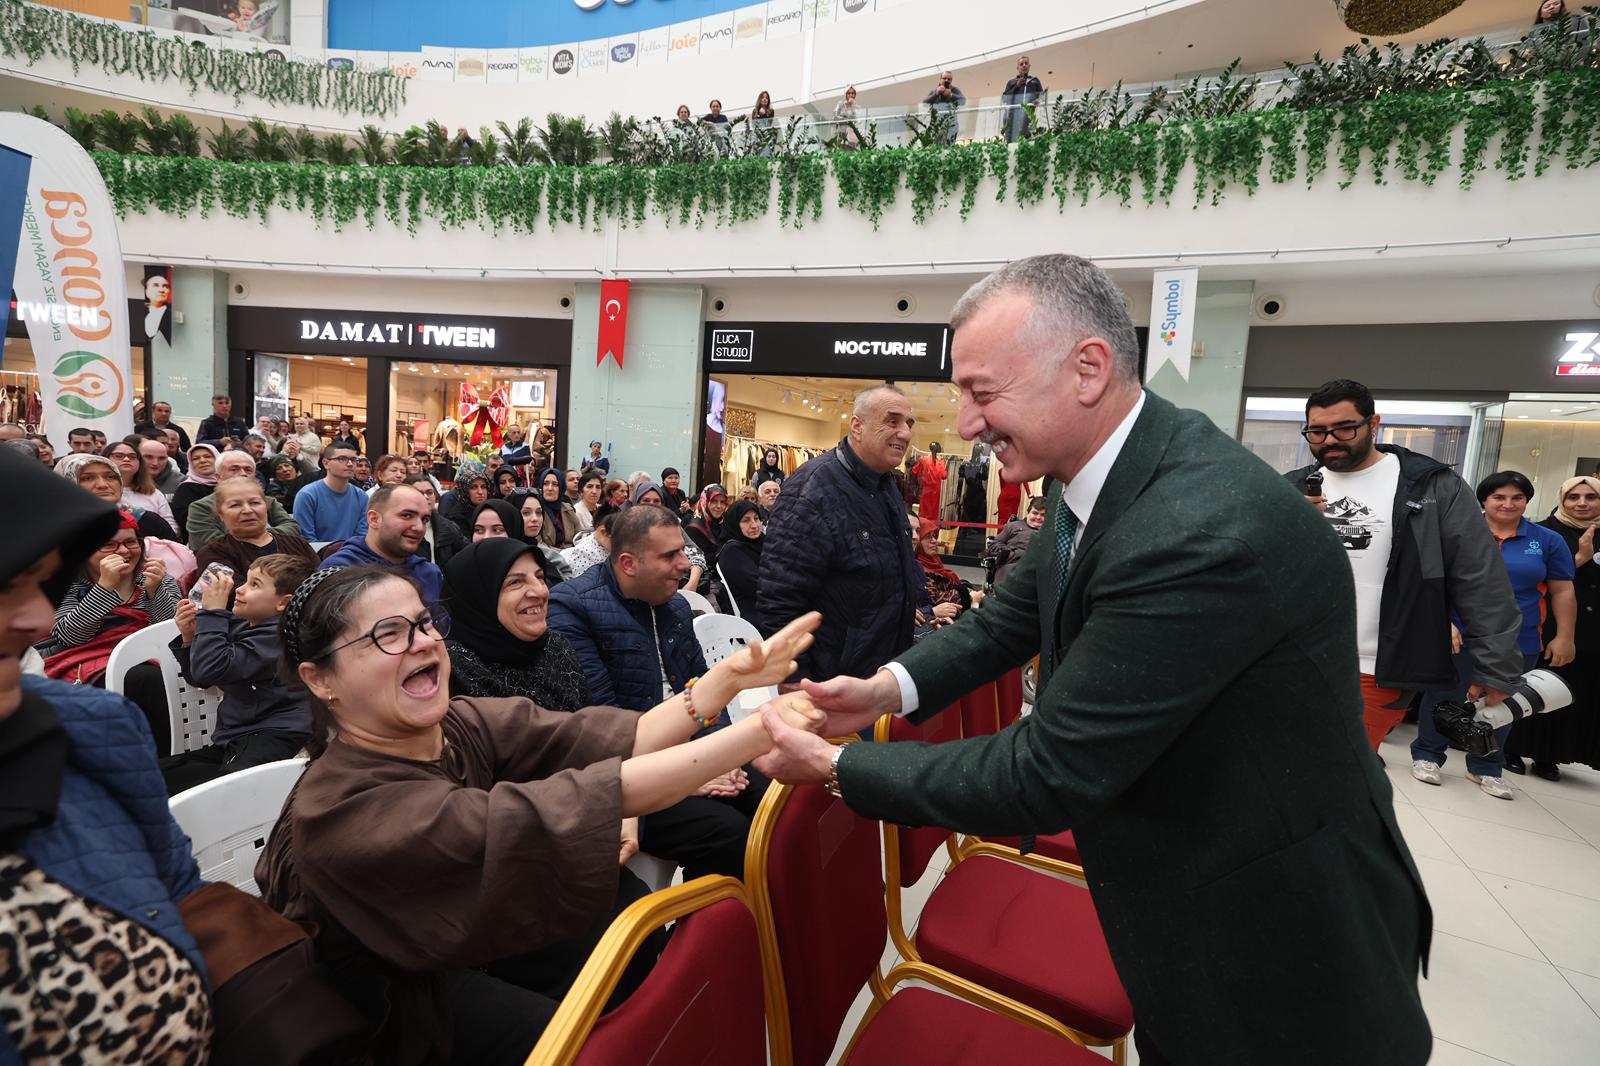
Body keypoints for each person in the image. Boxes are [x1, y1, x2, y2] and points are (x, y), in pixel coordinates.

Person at [753, 254, 1435, 1066]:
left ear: (1087, 369)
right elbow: (1013, 616)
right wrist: (883, 691)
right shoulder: (1110, 474)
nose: (965, 424)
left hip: (1270, 933)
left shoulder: (1195, 530)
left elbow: (1048, 773)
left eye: (982, 392)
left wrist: (836, 766)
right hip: (1188, 879)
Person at [255, 563, 821, 1063]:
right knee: (575, 1043)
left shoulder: (454, 724)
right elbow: (598, 796)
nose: (423, 643)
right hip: (393, 1001)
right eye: (388, 635)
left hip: (457, 930)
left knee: (630, 924)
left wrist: (726, 681)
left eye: (424, 623)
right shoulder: (345, 811)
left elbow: (619, 737)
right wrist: (758, 731)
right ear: (320, 679)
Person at [0, 448, 216, 1061]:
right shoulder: (77, 595)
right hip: (92, 666)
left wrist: (152, 591)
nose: (33, 615)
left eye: (38, 582)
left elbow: (180, 890)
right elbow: (62, 634)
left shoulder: (96, 729)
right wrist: (101, 590)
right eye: (5, 583)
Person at [1288, 379, 1523, 752]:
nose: (1330, 440)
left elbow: (1479, 578)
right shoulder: (1292, 487)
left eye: (1344, 428)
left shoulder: (1431, 487)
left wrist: (1497, 667)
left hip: (1375, 666)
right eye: (1317, 431)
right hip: (1289, 659)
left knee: (1335, 773)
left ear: (1373, 423)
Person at [548, 504, 771, 881]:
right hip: (626, 774)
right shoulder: (574, 610)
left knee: (774, 798)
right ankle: (714, 935)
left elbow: (706, 689)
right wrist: (689, 773)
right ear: (628, 563)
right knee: (729, 834)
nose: (685, 564)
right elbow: (605, 722)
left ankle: (777, 919)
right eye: (670, 555)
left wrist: (723, 755)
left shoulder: (678, 607)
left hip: (689, 751)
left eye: (683, 551)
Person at [1410, 471, 1575, 799]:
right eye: (1499, 497)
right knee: (1443, 696)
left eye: (1517, 497)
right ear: (1483, 500)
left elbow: (1562, 591)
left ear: (1527, 501)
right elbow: (1434, 584)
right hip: (1461, 633)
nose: (1508, 504)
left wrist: (1565, 636)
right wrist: (1446, 622)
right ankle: (1428, 755)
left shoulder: (1546, 540)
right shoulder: (1458, 534)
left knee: (1502, 703)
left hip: (1519, 638)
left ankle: (1485, 766)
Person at [757, 385, 919, 681]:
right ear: (857, 426)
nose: (905, 433)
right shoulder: (812, 490)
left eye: (908, 424)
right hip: (829, 684)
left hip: (882, 675)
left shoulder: (885, 485)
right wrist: (795, 683)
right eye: (892, 421)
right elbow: (780, 599)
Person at [162, 553, 315, 794]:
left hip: (274, 735)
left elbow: (209, 668)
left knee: (230, 797)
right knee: (155, 779)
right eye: (245, 581)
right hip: (236, 737)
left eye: (255, 585)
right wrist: (191, 638)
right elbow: (202, 677)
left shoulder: (279, 636)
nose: (240, 590)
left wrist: (212, 614)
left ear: (283, 603)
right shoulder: (244, 624)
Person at [35, 508, 180, 749]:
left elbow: (170, 633)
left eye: (130, 542)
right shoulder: (66, 585)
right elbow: (71, 636)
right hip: (85, 662)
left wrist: (156, 593)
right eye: (109, 545)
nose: (123, 551)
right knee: (142, 678)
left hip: (151, 658)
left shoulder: (156, 577)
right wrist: (104, 587)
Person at [1506, 474, 1600, 776]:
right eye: (1574, 497)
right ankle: (1513, 748)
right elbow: (1543, 578)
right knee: (1534, 688)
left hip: (1592, 631)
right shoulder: (1544, 533)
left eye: (1590, 497)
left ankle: (1551, 755)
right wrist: (1581, 558)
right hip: (1549, 626)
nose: (1582, 503)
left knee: (1572, 694)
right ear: (1562, 499)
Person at [442, 538, 587, 709]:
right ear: (479, 597)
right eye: (515, 582)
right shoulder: (450, 671)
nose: (541, 591)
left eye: (539, 576)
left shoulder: (556, 646)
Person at [320, 484, 446, 618]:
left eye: (424, 519)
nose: (419, 527)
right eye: (407, 515)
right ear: (374, 519)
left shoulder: (429, 574)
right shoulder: (339, 572)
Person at [193, 477, 319, 606]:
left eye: (255, 503)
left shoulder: (297, 544)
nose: (247, 510)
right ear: (221, 514)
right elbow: (235, 597)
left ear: (266, 507)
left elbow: (321, 585)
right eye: (235, 505)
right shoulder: (213, 553)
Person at [185, 450, 303, 551]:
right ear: (218, 477)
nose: (242, 474)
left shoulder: (268, 501)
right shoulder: (201, 507)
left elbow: (292, 527)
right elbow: (210, 544)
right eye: (234, 469)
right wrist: (261, 537)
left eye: (248, 470)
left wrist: (259, 535)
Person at [293, 443, 370, 543]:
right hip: (316, 555)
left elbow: (362, 536)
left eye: (354, 460)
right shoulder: (307, 495)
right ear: (326, 463)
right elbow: (307, 539)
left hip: (353, 555)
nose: (350, 464)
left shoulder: (362, 496)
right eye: (342, 459)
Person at [107, 437, 178, 533]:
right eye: (119, 456)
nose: (127, 459)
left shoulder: (153, 493)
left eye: (132, 456)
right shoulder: (95, 490)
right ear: (105, 458)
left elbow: (170, 526)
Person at [915, 517, 982, 617]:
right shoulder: (918, 569)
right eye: (928, 536)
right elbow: (937, 600)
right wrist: (969, 597)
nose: (934, 541)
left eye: (934, 536)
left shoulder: (933, 561)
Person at [404, 472, 468, 568]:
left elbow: (467, 554)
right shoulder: (401, 528)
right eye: (418, 493)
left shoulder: (449, 527)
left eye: (429, 493)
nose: (425, 497)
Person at [716, 499, 764, 625]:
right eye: (746, 520)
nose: (754, 525)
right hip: (756, 614)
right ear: (735, 523)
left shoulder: (763, 542)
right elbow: (759, 587)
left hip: (773, 606)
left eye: (756, 518)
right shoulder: (732, 551)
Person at [988, 494, 1046, 585]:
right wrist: (1010, 554)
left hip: (1036, 568)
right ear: (1028, 512)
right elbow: (995, 543)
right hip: (1011, 565)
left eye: (1043, 515)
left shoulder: (1050, 532)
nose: (1038, 517)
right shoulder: (1013, 526)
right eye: (1035, 513)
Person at [1001, 54, 1044, 143]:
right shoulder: (1011, 82)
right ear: (1017, 67)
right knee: (1012, 142)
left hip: (1028, 117)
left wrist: (1037, 101)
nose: (1024, 65)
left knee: (1027, 141)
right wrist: (1016, 86)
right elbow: (1005, 98)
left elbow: (1041, 95)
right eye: (1021, 64)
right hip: (1013, 117)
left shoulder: (1035, 81)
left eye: (1026, 63)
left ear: (1029, 66)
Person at [561, 513, 616, 580]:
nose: (620, 546)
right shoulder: (584, 552)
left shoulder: (604, 545)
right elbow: (581, 584)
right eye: (616, 541)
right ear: (603, 532)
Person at [536, 466, 579, 549]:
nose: (550, 488)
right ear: (541, 486)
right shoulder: (536, 510)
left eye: (555, 484)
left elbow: (579, 536)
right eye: (545, 484)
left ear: (561, 488)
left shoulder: (568, 508)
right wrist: (563, 555)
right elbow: (539, 544)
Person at [922, 70, 965, 144]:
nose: (946, 80)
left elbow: (963, 101)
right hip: (937, 126)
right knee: (936, 146)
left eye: (949, 79)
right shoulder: (934, 91)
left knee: (949, 146)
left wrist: (951, 95)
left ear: (951, 80)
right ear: (940, 79)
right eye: (944, 78)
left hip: (951, 126)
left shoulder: (954, 90)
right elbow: (925, 103)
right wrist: (936, 93)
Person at [140, 434, 185, 498]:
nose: (155, 463)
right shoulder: (127, 480)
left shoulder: (181, 482)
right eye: (149, 457)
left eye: (161, 458)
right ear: (138, 457)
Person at [911, 442, 947, 521]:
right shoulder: (941, 462)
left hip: (926, 489)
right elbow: (944, 476)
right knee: (934, 513)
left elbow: (914, 470)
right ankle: (933, 531)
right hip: (936, 492)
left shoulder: (923, 460)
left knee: (924, 513)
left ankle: (923, 530)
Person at [832, 84, 862, 150]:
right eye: (848, 93)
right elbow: (834, 117)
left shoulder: (857, 107)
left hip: (852, 135)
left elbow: (858, 121)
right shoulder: (840, 104)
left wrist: (853, 107)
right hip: (841, 133)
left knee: (851, 152)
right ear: (845, 94)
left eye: (853, 93)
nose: (851, 95)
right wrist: (845, 120)